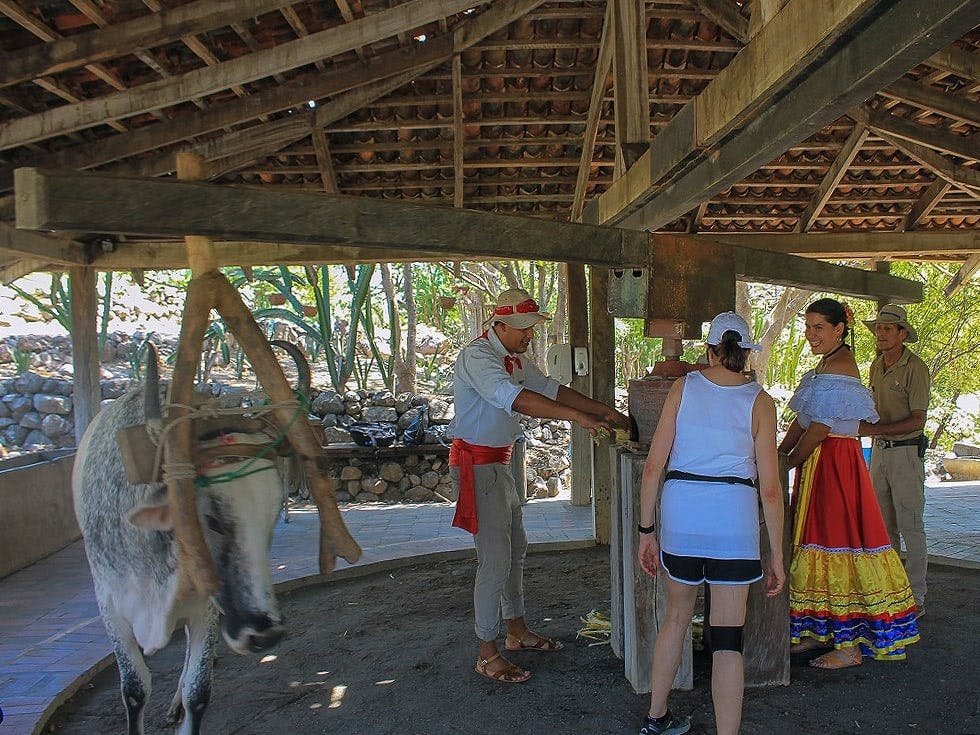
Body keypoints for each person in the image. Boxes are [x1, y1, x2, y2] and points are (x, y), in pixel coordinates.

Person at [449, 287, 628, 684]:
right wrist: (578, 419)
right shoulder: (479, 356)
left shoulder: (512, 357)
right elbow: (517, 400)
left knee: (516, 550)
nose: (530, 336)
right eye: (523, 329)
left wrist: (601, 409)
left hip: (503, 462)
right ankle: (486, 651)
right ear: (500, 325)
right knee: (494, 559)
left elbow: (549, 389)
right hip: (477, 466)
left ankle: (516, 631)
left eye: (532, 328)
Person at [637, 312, 785, 735]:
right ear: (745, 353)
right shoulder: (760, 401)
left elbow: (653, 468)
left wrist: (646, 531)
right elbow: (770, 490)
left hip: (683, 515)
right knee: (727, 638)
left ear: (710, 349)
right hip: (733, 522)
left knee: (676, 619)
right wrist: (776, 552)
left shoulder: (683, 387)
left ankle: (656, 717)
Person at [779, 298, 919, 670]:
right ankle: (818, 629)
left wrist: (788, 463)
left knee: (839, 542)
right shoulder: (825, 365)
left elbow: (821, 427)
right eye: (808, 327)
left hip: (835, 465)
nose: (811, 335)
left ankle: (849, 643)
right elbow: (804, 419)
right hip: (821, 466)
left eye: (818, 328)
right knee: (817, 541)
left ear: (840, 329)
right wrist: (781, 455)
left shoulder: (841, 366)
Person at [858, 305, 930, 615]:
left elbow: (917, 420)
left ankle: (916, 597)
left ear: (902, 334)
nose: (882, 333)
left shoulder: (916, 368)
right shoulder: (876, 365)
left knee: (910, 525)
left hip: (905, 453)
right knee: (884, 526)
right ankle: (891, 591)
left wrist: (875, 429)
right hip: (881, 452)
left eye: (888, 328)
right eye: (879, 328)